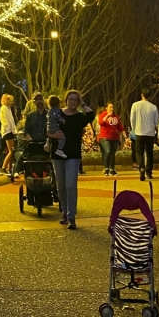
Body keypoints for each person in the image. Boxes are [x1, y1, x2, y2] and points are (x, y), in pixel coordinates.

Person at [50, 91, 94, 230]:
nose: (73, 102)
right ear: (66, 100)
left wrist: (83, 102)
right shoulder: (58, 113)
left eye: (76, 99)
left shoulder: (80, 117)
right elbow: (48, 128)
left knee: (70, 184)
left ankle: (71, 216)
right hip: (58, 153)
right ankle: (63, 210)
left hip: (73, 154)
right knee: (61, 185)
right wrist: (52, 135)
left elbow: (91, 115)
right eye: (71, 99)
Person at [130, 90, 159, 182]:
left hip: (139, 131)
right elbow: (156, 122)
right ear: (149, 96)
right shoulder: (153, 107)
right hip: (150, 133)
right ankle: (149, 172)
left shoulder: (135, 105)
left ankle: (141, 167)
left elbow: (132, 118)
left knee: (139, 152)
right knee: (149, 153)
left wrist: (134, 128)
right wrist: (157, 132)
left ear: (141, 95)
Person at [97, 102, 125, 175]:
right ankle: (106, 168)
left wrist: (125, 136)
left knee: (112, 153)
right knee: (108, 151)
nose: (112, 109)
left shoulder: (116, 117)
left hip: (114, 138)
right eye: (110, 107)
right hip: (105, 137)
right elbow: (100, 123)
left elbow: (121, 127)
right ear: (106, 108)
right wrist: (107, 115)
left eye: (112, 107)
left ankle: (112, 169)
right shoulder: (103, 114)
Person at [0, 93, 17, 177]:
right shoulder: (5, 108)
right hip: (8, 131)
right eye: (11, 101)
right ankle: (3, 167)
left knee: (11, 150)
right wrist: (14, 131)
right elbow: (9, 121)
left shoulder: (7, 108)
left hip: (8, 130)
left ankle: (9, 169)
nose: (12, 103)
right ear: (7, 101)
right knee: (11, 151)